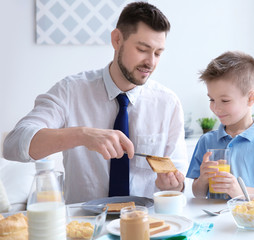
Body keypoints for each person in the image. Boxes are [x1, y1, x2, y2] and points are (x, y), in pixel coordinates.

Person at [3, 2, 188, 204]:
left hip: (147, 226)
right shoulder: (70, 91)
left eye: (158, 53)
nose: (151, 62)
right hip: (84, 228)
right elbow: (13, 145)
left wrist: (173, 185)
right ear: (117, 39)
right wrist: (82, 135)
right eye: (142, 49)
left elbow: (179, 182)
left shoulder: (168, 103)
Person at [186, 51, 254, 204]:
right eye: (212, 99)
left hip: (252, 224)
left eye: (225, 101)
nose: (216, 108)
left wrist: (241, 191)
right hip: (214, 224)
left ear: (250, 98)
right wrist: (203, 179)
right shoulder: (207, 141)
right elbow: (197, 193)